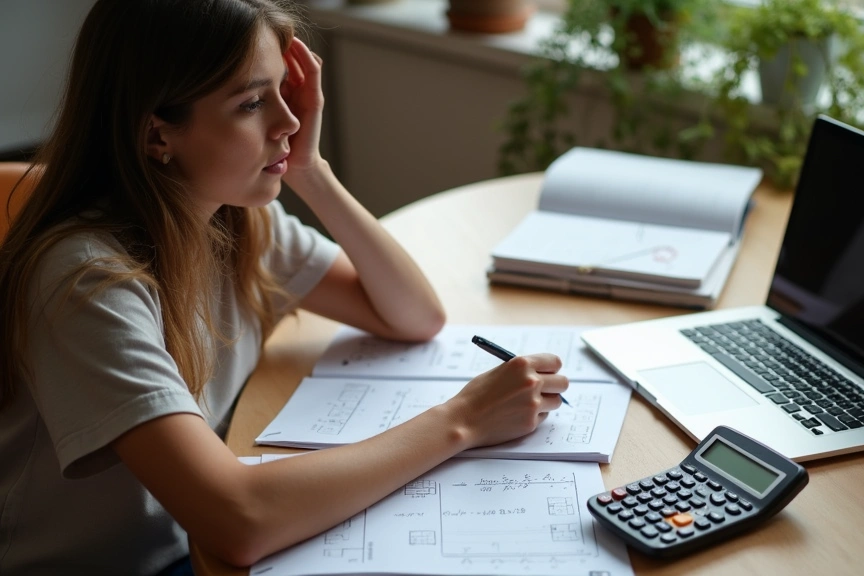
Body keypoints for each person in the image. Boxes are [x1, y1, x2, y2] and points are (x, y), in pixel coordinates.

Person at [0, 1, 569, 574]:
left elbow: (413, 316)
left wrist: (310, 170)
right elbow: (239, 520)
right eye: (252, 103)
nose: (290, 122)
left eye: (284, 91)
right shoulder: (86, 282)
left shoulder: (232, 220)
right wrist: (463, 420)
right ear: (156, 134)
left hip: (187, 543)